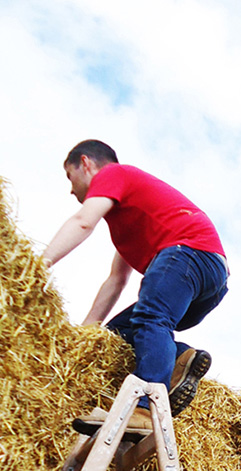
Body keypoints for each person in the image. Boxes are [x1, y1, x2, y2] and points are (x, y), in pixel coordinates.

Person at [43, 139, 228, 435]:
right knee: (119, 334)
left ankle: (144, 410)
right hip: (206, 280)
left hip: (188, 255)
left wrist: (38, 266)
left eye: (70, 176)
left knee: (152, 319)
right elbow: (116, 280)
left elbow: (82, 222)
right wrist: (88, 331)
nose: (70, 188)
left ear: (87, 163)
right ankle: (182, 357)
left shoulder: (113, 175)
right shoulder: (127, 218)